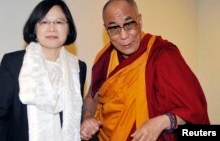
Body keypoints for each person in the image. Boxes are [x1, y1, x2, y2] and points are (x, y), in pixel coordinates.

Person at [80, 0, 210, 141]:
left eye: (129, 25)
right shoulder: (104, 57)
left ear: (140, 20)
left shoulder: (162, 55)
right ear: (106, 29)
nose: (124, 36)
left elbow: (196, 111)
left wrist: (163, 121)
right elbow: (91, 98)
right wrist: (87, 117)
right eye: (114, 28)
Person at [0, 0, 86, 141]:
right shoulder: (13, 62)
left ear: (69, 28)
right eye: (44, 22)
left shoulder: (78, 67)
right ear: (34, 28)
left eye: (59, 22)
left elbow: (76, 115)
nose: (52, 28)